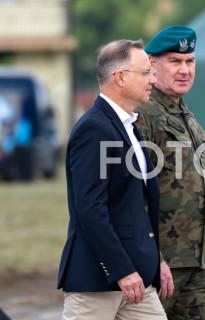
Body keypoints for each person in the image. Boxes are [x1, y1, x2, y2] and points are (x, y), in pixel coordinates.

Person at [57, 39, 168, 319]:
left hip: (138, 279)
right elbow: (90, 208)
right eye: (146, 73)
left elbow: (136, 204)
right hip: (98, 281)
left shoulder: (130, 125)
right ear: (120, 77)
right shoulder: (93, 128)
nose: (153, 79)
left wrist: (157, 261)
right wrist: (121, 270)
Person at [135, 26, 205, 319]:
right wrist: (151, 256)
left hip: (193, 263)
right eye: (175, 61)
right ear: (151, 64)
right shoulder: (143, 114)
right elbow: (131, 192)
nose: (185, 70)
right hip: (158, 265)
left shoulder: (182, 112)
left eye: (190, 61)